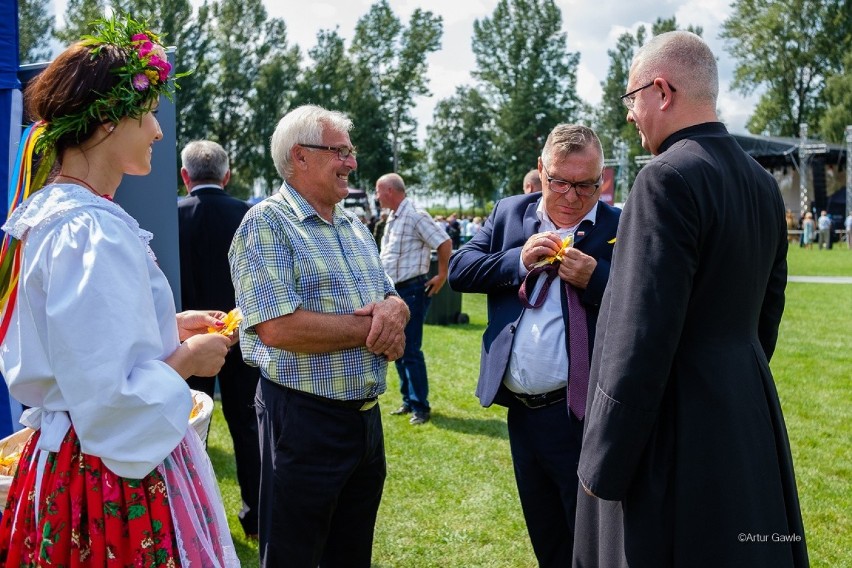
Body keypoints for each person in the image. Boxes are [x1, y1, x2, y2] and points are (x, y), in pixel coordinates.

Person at [0, 15, 238, 567]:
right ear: (109, 121)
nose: (157, 130)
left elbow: (75, 347)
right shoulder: (88, 228)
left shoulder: (54, 215)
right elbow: (108, 399)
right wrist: (185, 360)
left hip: (72, 464)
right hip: (105, 477)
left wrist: (165, 329)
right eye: (148, 113)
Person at [574, 31, 807, 567]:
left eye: (631, 98)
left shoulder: (665, 179)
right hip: (744, 412)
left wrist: (601, 464)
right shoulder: (760, 183)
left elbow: (639, 335)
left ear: (661, 90)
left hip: (671, 434)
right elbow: (767, 314)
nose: (630, 114)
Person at [228, 104, 409, 567]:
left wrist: (396, 311)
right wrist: (375, 327)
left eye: (351, 152)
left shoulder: (352, 225)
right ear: (300, 157)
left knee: (350, 554)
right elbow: (276, 327)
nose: (351, 163)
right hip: (303, 420)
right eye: (340, 152)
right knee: (294, 555)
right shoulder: (266, 224)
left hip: (364, 421)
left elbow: (390, 297)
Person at [448, 124, 620, 566]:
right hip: (522, 414)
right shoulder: (511, 213)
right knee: (547, 539)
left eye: (585, 184)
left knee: (592, 545)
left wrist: (597, 279)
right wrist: (518, 258)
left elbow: (652, 300)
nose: (570, 195)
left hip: (584, 415)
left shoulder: (622, 227)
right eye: (558, 181)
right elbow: (460, 269)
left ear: (602, 179)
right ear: (541, 171)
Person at [177, 139, 261, 539]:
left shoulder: (171, 214)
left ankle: (194, 520)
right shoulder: (248, 213)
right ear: (226, 176)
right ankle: (257, 517)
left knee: (189, 432)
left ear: (184, 176)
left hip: (187, 339)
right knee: (248, 428)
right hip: (242, 337)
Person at [375, 173, 452, 425]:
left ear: (389, 190)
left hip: (412, 290)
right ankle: (408, 400)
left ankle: (420, 405)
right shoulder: (395, 216)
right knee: (397, 347)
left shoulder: (415, 214)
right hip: (396, 292)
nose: (376, 197)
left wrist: (441, 275)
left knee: (410, 349)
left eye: (378, 191)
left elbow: (444, 242)